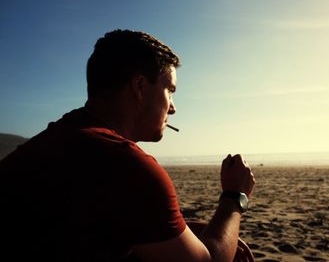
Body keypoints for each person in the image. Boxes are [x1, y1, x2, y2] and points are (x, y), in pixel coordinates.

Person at [0, 29, 255, 262]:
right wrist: (234, 197)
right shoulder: (126, 165)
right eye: (170, 90)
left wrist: (175, 227)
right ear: (140, 86)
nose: (173, 107)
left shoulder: (48, 143)